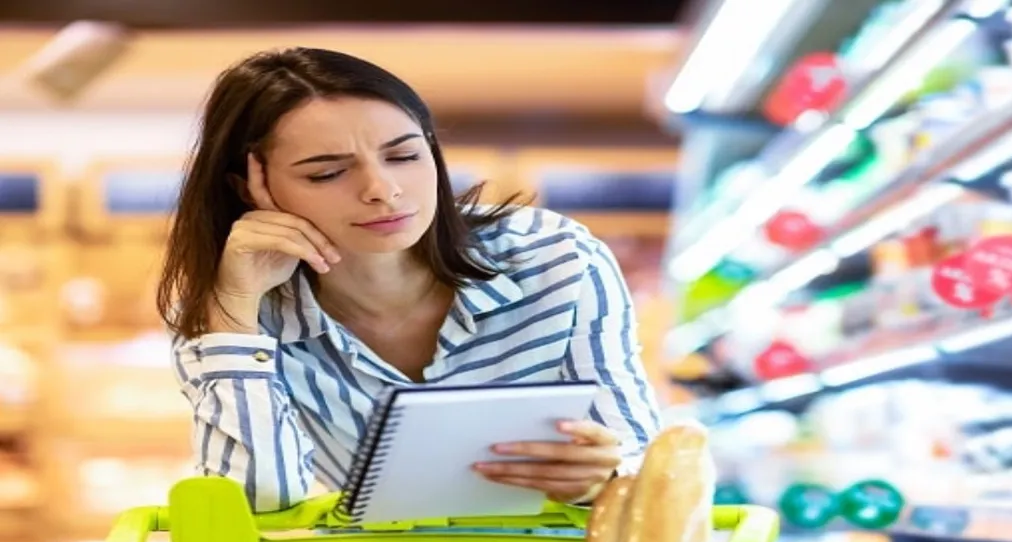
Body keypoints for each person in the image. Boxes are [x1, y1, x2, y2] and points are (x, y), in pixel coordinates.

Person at [157, 47, 664, 515]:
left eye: (403, 155)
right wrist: (234, 314)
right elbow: (255, 505)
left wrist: (599, 479)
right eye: (327, 173)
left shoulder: (554, 259)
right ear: (250, 188)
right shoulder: (230, 312)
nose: (383, 190)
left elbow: (640, 466)